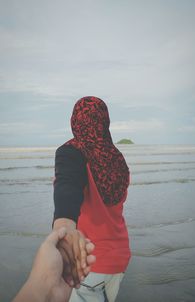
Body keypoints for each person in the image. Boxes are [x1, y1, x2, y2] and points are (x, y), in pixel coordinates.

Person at [53, 96, 131, 302]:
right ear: (105, 121)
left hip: (89, 262)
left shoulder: (71, 153)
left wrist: (62, 232)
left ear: (75, 120)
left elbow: (66, 188)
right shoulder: (118, 159)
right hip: (119, 258)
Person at [13, 227, 96, 302]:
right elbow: (65, 219)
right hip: (83, 268)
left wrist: (46, 284)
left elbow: (64, 220)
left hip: (82, 268)